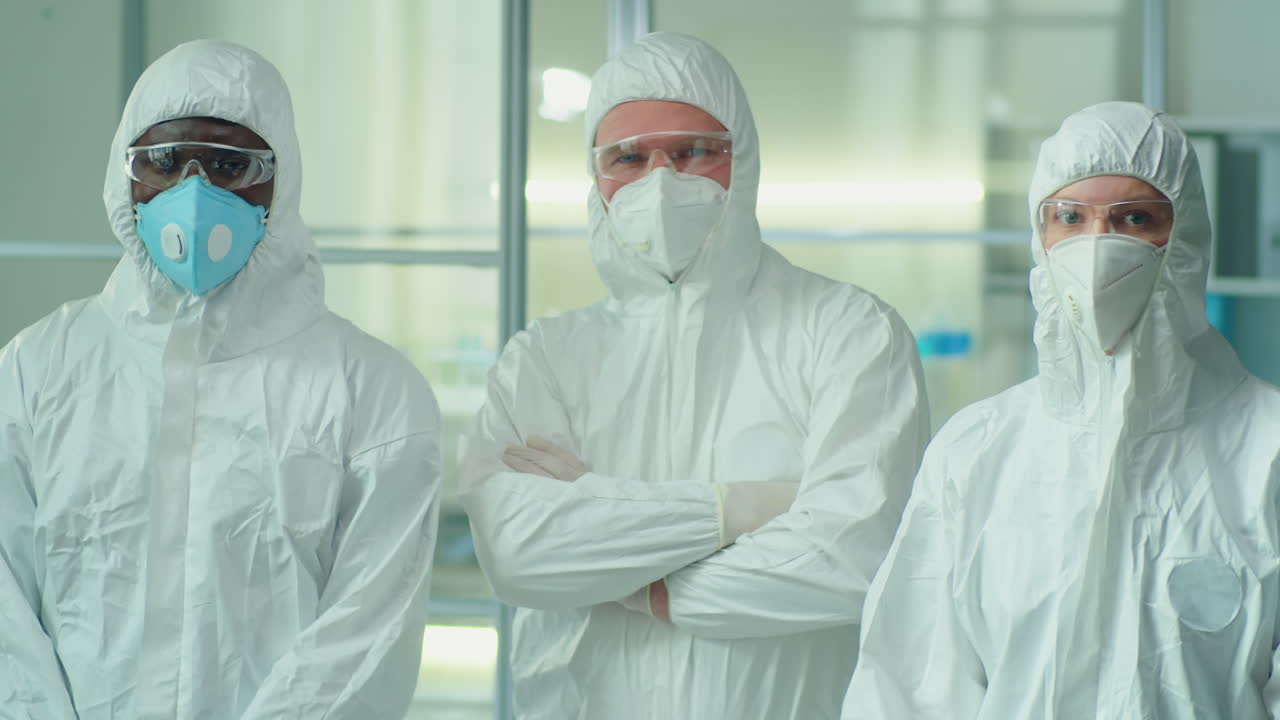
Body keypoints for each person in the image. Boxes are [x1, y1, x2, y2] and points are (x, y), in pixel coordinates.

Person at [459, 32, 929, 719]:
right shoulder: (545, 358)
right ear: (596, 179)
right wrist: (743, 509)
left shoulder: (850, 333)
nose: (660, 182)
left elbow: (851, 556)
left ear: (744, 161)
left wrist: (627, 569)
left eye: (692, 153)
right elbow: (518, 553)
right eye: (628, 158)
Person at [0, 40, 442, 719]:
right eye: (164, 161)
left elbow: (366, 637)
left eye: (232, 165)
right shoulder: (36, 371)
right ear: (126, 175)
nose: (194, 193)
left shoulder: (373, 392)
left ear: (281, 180)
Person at [842, 101, 1280, 719]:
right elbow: (908, 686)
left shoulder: (1267, 449)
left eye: (1134, 218)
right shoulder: (977, 450)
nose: (1097, 246)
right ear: (1040, 235)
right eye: (1070, 217)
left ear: (1185, 236)